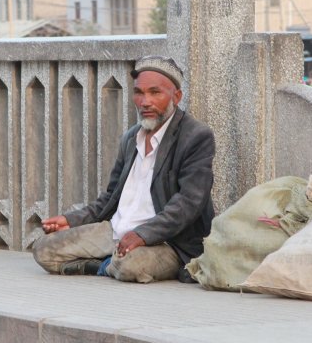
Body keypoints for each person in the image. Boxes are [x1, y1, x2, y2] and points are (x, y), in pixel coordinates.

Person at [32, 55, 215, 283]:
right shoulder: (131, 138)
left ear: (176, 96)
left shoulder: (196, 136)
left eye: (155, 93)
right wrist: (72, 220)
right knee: (44, 250)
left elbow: (188, 204)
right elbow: (110, 198)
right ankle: (108, 264)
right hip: (117, 231)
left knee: (131, 267)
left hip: (168, 241)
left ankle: (104, 264)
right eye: (139, 93)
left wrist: (143, 234)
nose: (145, 101)